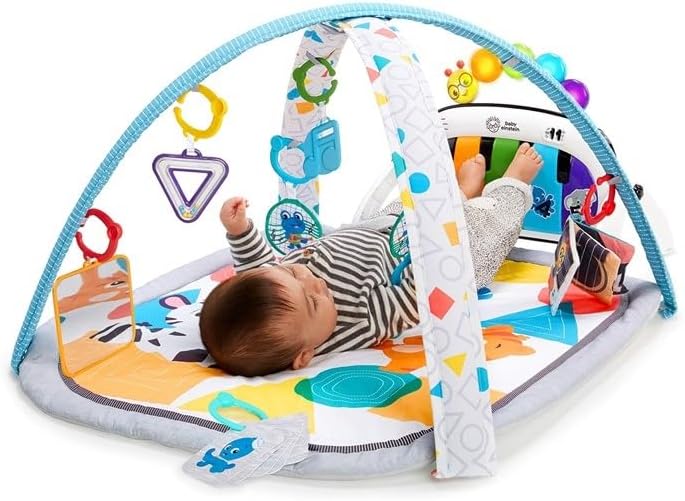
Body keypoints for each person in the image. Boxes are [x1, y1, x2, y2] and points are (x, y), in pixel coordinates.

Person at [199, 143, 543, 376]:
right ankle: (513, 184)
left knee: (410, 203)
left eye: (292, 272)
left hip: (385, 227)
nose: (312, 281)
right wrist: (438, 241)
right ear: (304, 356)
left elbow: (257, 268)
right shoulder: (357, 320)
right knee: (486, 227)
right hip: (434, 258)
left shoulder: (281, 287)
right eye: (313, 302)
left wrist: (240, 231)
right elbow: (414, 299)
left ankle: (461, 193)